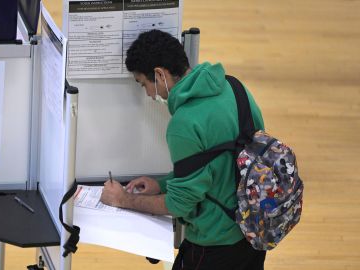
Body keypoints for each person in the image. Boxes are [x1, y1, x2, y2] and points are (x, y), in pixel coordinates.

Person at [100, 29, 267, 270]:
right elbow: (222, 163)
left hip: (213, 245)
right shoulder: (235, 88)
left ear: (159, 74)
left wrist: (123, 199)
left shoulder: (184, 124)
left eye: (143, 84)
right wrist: (162, 184)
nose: (147, 94)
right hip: (253, 234)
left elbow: (179, 205)